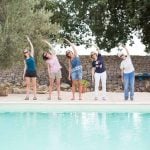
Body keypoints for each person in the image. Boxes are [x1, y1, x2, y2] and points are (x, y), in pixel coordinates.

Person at [23, 36, 37, 100]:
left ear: (28, 52)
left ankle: (35, 96)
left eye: (26, 52)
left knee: (34, 85)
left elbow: (32, 47)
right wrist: (23, 74)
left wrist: (29, 41)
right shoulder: (25, 60)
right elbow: (25, 67)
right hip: (28, 72)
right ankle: (27, 96)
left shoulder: (32, 56)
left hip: (33, 71)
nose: (25, 53)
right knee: (28, 85)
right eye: (24, 52)